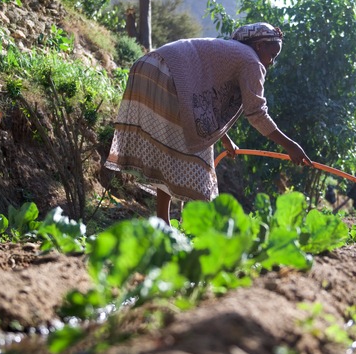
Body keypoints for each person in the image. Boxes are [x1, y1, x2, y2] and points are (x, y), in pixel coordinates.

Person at [105, 22, 312, 223]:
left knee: (168, 152)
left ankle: (163, 222)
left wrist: (224, 139)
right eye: (272, 55)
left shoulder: (233, 52)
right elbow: (256, 112)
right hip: (167, 75)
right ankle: (201, 229)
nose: (271, 62)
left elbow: (204, 108)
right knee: (192, 153)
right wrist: (290, 146)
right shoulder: (251, 61)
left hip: (150, 66)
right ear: (259, 46)